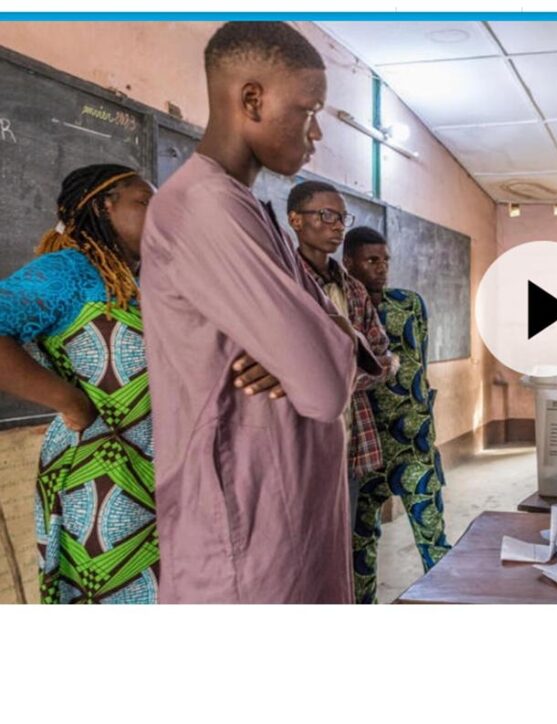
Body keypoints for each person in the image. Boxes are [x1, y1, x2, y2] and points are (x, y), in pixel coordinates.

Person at [141, 22, 376, 603]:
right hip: (245, 535)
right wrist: (322, 343)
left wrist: (320, 337)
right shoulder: (206, 206)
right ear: (252, 99)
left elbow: (320, 355)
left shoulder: (252, 207)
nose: (316, 131)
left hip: (286, 514)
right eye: (308, 110)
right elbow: (322, 387)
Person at [0, 164, 159, 603]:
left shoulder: (149, 279)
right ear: (103, 207)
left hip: (159, 469)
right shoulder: (68, 271)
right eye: (145, 202)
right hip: (98, 477)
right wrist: (69, 402)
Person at [344, 226, 451, 604]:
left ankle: (450, 603)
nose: (382, 268)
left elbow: (419, 364)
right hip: (364, 450)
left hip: (414, 445)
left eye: (385, 260)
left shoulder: (409, 304)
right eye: (372, 260)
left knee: (433, 535)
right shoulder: (341, 310)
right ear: (349, 262)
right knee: (360, 546)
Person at [286, 180, 393, 525]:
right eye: (326, 215)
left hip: (350, 440)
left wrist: (333, 378)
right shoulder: (282, 284)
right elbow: (284, 366)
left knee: (341, 542)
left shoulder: (353, 290)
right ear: (295, 220)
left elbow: (380, 358)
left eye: (341, 218)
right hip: (297, 441)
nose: (336, 225)